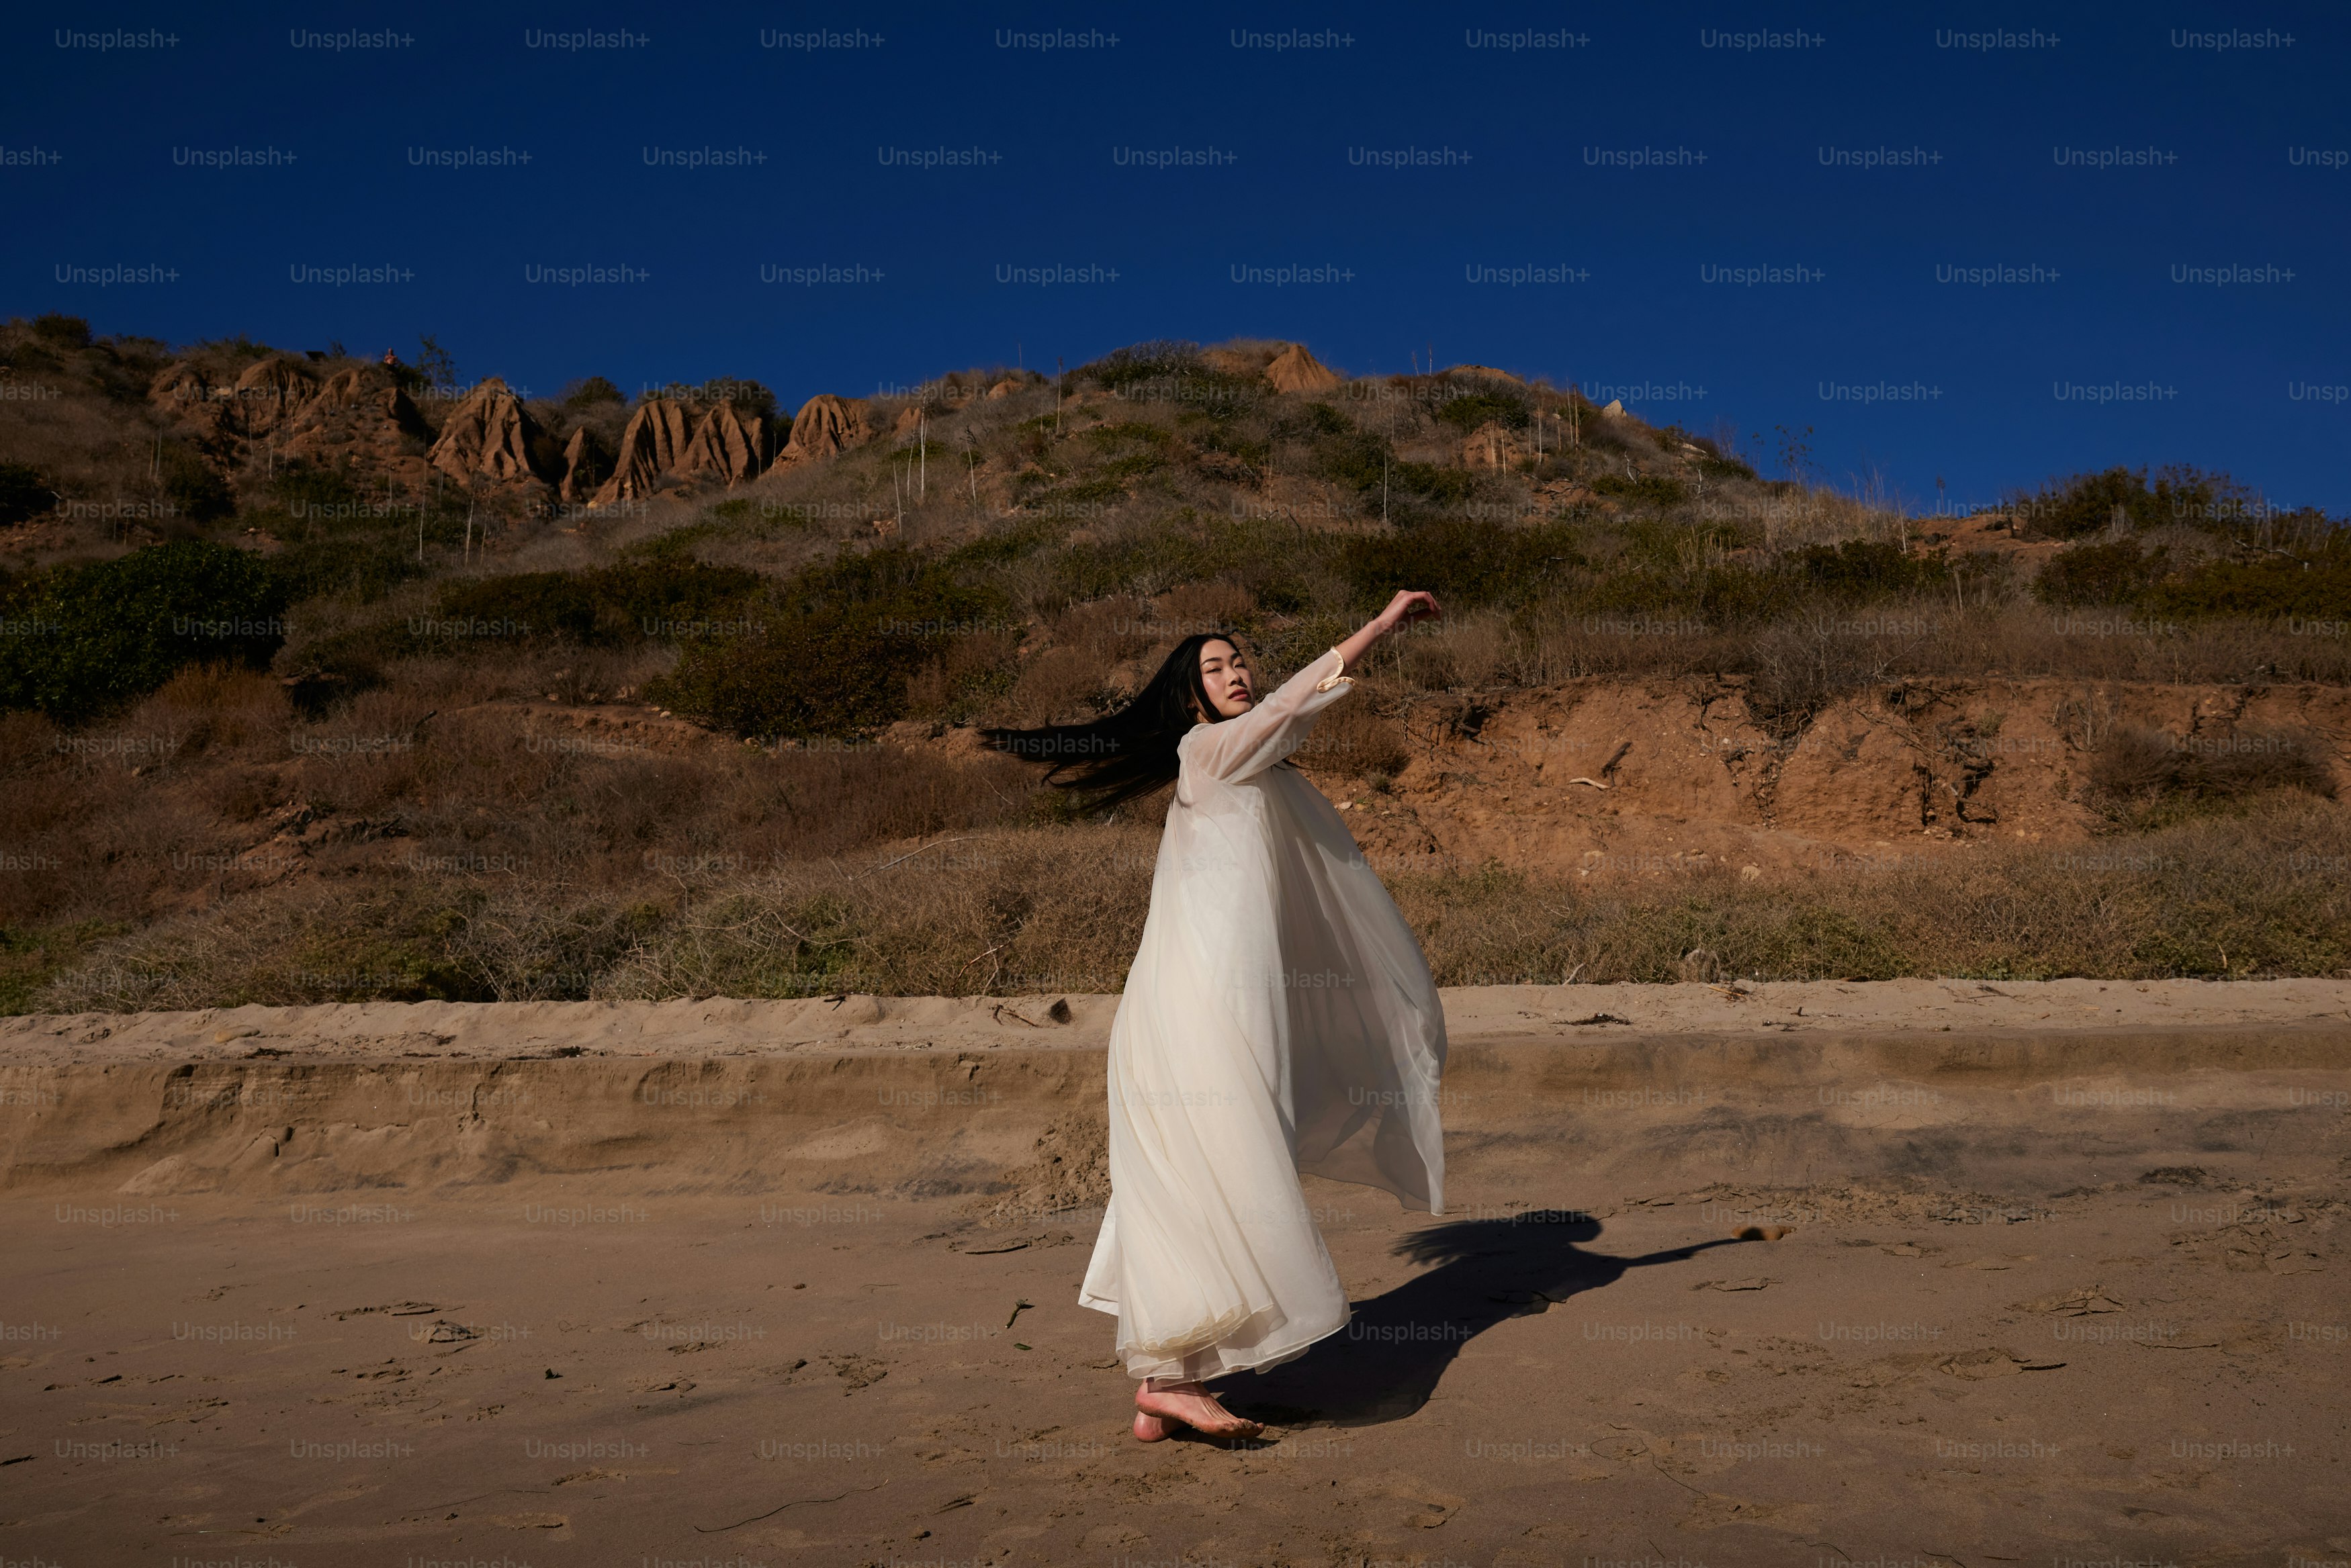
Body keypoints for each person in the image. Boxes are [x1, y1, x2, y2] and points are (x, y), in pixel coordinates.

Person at [985, 591, 1450, 1440]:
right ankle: (1169, 1377)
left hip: (1213, 1001)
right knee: (1219, 1167)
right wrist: (1380, 626)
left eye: (1239, 661)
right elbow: (1290, 704)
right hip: (1196, 1009)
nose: (1235, 674)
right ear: (1190, 697)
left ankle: (1164, 1383)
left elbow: (1286, 720)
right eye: (1213, 668)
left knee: (1197, 1177)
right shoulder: (1206, 752)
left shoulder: (1253, 764)